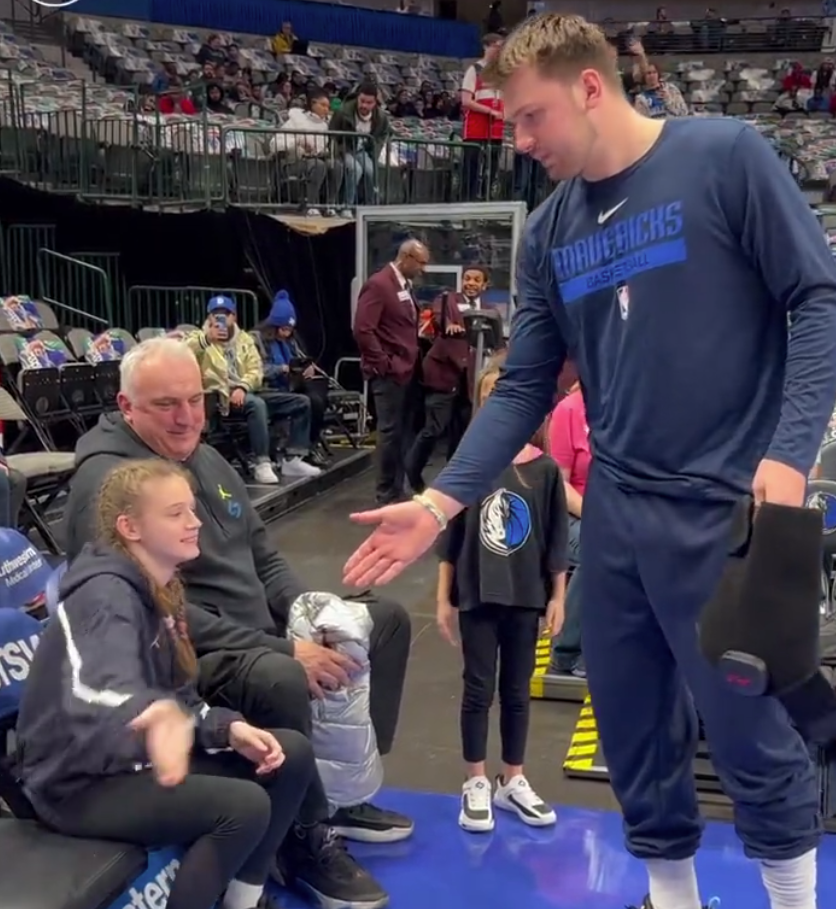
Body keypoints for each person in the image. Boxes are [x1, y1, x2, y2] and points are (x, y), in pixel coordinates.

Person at [342, 14, 836, 909]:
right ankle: (673, 898)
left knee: (751, 732)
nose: (520, 141)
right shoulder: (558, 225)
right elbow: (526, 382)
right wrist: (443, 501)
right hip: (615, 515)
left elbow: (818, 298)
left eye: (530, 118)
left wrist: (791, 452)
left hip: (729, 513)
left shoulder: (726, 158)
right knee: (636, 730)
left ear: (590, 88)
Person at [63, 337, 410, 909]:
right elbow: (151, 605)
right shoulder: (108, 485)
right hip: (190, 650)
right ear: (127, 408)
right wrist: (284, 648)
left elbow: (262, 552)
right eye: (166, 404)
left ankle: (341, 792)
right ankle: (300, 837)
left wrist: (309, 616)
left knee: (385, 622)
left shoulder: (201, 453)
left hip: (258, 630)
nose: (186, 417)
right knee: (280, 676)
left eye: (195, 399)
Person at [16, 459, 326, 909]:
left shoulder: (162, 589)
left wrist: (225, 729)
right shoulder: (105, 595)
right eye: (175, 513)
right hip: (76, 783)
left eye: (193, 509)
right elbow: (96, 686)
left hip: (131, 761)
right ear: (131, 527)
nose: (194, 522)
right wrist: (152, 713)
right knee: (241, 807)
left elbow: (180, 694)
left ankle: (242, 900)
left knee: (290, 756)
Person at [436, 360, 565, 833]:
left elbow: (555, 543)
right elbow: (450, 540)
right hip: (478, 593)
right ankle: (475, 781)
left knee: (517, 691)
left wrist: (558, 597)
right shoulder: (468, 466)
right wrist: (442, 599)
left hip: (525, 596)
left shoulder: (545, 470)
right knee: (477, 688)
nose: (497, 402)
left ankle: (513, 778)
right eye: (488, 394)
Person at [187, 295, 320, 485]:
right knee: (256, 405)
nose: (220, 319)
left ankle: (292, 459)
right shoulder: (199, 339)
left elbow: (256, 370)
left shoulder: (245, 340)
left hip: (247, 391)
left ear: (234, 317)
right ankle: (261, 463)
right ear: (209, 318)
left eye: (225, 314)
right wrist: (206, 339)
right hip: (220, 397)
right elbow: (181, 351)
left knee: (301, 402)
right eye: (215, 315)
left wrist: (243, 386)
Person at [353, 240, 429, 504]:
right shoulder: (379, 284)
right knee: (389, 433)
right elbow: (363, 329)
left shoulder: (403, 286)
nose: (423, 270)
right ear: (406, 258)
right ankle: (386, 492)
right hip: (389, 373)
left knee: (401, 432)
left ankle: (397, 488)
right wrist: (384, 363)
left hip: (407, 370)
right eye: (421, 263)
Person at [406, 266, 493, 492]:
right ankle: (412, 471)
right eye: (467, 279)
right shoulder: (447, 300)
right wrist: (451, 325)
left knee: (461, 432)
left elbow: (493, 340)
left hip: (469, 381)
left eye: (476, 280)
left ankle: (451, 482)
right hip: (443, 377)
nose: (471, 283)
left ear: (485, 285)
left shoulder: (489, 309)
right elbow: (440, 318)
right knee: (434, 428)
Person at [547, 380, 588, 677]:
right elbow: (558, 485)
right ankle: (567, 651)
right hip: (573, 515)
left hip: (621, 514)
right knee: (599, 551)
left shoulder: (628, 411)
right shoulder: (569, 411)